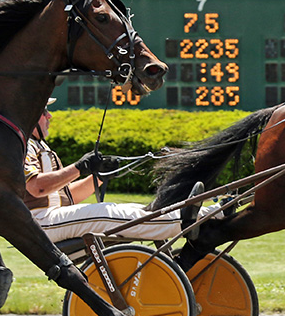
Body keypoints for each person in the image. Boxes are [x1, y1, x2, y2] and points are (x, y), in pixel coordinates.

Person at [23, 99, 208, 244]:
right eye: (44, 111)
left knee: (136, 209)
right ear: (30, 114)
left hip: (54, 219)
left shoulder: (40, 146)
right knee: (106, 211)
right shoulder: (23, 147)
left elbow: (68, 196)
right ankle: (184, 220)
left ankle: (213, 212)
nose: (50, 116)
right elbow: (37, 188)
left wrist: (101, 175)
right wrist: (79, 167)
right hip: (41, 222)